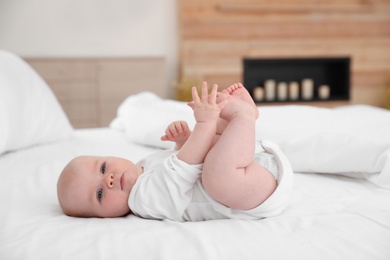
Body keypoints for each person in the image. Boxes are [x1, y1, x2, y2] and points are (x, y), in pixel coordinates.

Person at [57, 82, 293, 221]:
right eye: (99, 194)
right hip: (256, 192)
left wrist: (182, 142)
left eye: (103, 167)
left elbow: (181, 162)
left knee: (211, 153)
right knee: (215, 177)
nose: (108, 180)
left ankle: (240, 120)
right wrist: (204, 124)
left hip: (250, 166)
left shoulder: (143, 165)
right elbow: (181, 168)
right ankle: (242, 117)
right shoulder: (142, 200)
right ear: (101, 218)